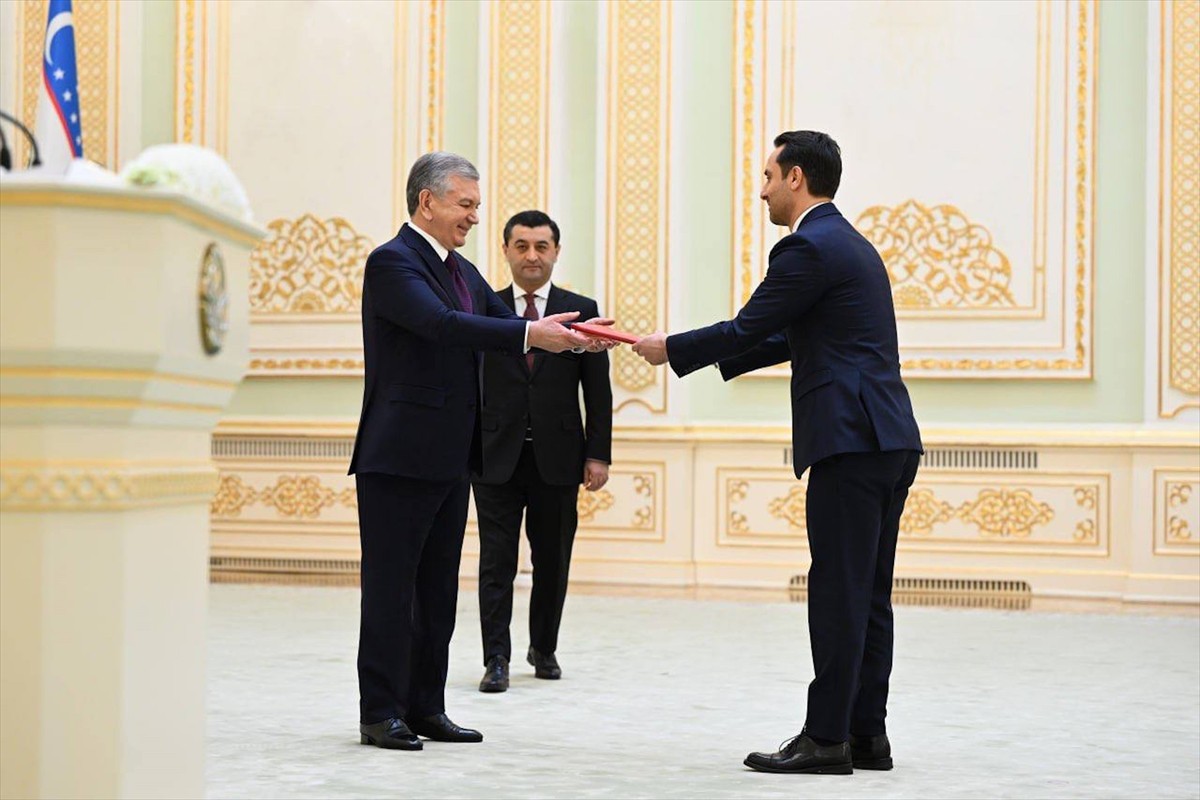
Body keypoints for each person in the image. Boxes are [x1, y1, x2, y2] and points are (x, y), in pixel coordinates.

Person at [632, 131, 922, 775]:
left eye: (767, 175)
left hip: (850, 439)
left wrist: (671, 349)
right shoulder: (851, 243)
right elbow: (799, 335)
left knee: (838, 592)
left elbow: (749, 325)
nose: (761, 189)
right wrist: (714, 359)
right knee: (867, 593)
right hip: (889, 438)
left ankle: (825, 739)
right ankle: (865, 734)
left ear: (795, 177)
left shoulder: (806, 248)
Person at [348, 152, 607, 751]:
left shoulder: (460, 270)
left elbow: (513, 321)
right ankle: (379, 711)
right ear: (426, 202)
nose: (472, 217)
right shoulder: (393, 263)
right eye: (465, 205)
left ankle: (425, 707)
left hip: (448, 457)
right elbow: (441, 325)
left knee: (437, 592)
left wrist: (579, 337)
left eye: (475, 206)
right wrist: (531, 333)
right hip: (398, 456)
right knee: (392, 591)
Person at [472, 210, 613, 693]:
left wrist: (599, 454)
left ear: (555, 251)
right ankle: (496, 658)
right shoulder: (484, 309)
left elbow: (598, 392)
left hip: (559, 458)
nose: (532, 255)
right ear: (506, 250)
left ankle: (544, 647)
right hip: (494, 456)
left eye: (541, 246)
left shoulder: (582, 309)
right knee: (496, 561)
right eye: (522, 246)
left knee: (553, 558)